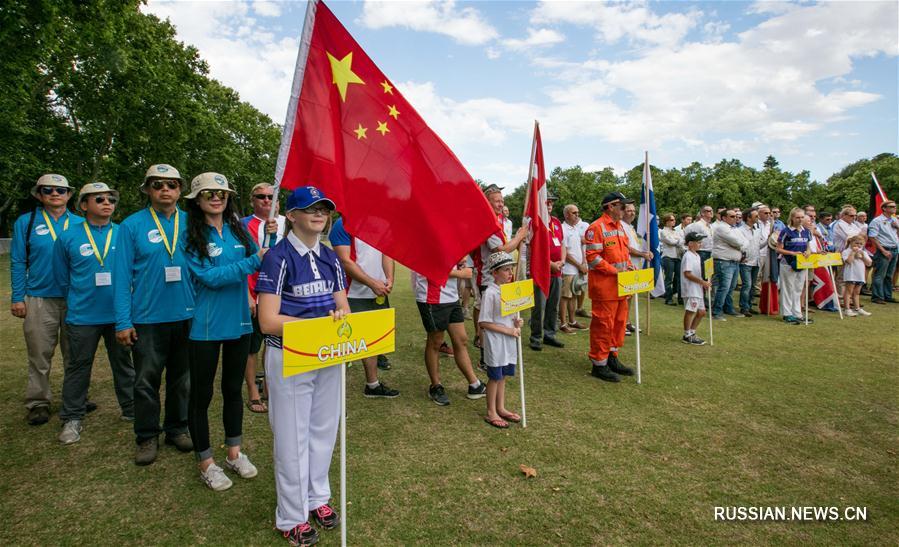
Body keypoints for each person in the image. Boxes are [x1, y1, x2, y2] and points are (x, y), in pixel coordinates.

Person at [256, 186, 345, 545]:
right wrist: (315, 327)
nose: (319, 213)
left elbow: (343, 308)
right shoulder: (277, 258)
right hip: (290, 356)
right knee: (292, 437)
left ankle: (317, 498)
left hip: (327, 355)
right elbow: (267, 320)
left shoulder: (329, 256)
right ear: (291, 215)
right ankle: (290, 515)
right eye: (310, 208)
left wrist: (338, 320)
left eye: (324, 208)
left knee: (323, 430)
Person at [183, 173, 266, 491]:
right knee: (202, 395)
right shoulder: (192, 234)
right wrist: (252, 262)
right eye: (209, 193)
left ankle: (233, 453)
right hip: (205, 325)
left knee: (233, 390)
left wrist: (263, 245)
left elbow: (258, 259)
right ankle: (206, 462)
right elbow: (210, 277)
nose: (216, 197)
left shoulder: (238, 228)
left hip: (240, 321)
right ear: (197, 199)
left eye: (221, 193)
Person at [114, 164, 194, 465]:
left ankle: (177, 428)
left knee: (182, 378)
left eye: (171, 185)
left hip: (187, 315)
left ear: (179, 190)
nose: (165, 190)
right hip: (147, 318)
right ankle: (147, 435)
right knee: (146, 380)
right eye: (157, 184)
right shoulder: (131, 226)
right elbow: (121, 277)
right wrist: (123, 321)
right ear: (147, 189)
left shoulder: (191, 222)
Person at [54, 183, 134, 444]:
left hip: (118, 315)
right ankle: (72, 417)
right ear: (84, 205)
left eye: (111, 198)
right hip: (82, 316)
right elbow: (61, 278)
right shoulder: (68, 237)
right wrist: (78, 299)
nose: (107, 203)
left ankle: (131, 409)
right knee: (78, 367)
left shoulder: (123, 233)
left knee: (124, 364)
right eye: (99, 199)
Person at [11, 174, 84, 425]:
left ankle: (75, 399)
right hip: (39, 297)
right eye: (49, 190)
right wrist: (17, 297)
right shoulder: (27, 222)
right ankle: (38, 402)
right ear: (39, 194)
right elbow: (19, 261)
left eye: (61, 190)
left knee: (74, 354)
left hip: (75, 298)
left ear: (69, 195)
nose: (55, 194)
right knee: (40, 353)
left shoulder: (80, 223)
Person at [329, 214, 400, 398]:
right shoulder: (342, 224)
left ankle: (372, 385)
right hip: (350, 293)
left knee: (373, 340)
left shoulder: (382, 223)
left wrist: (389, 278)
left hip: (377, 292)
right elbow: (345, 261)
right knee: (345, 343)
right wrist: (372, 283)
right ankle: (333, 393)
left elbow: (387, 254)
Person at [411, 262, 487, 406]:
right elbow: (428, 267)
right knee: (435, 342)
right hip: (431, 297)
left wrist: (461, 263)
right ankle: (435, 386)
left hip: (451, 297)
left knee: (461, 340)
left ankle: (474, 385)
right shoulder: (427, 240)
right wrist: (460, 274)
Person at [241, 182, 286, 414]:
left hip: (280, 297)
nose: (267, 201)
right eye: (261, 197)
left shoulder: (287, 223)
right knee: (252, 347)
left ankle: (270, 388)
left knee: (273, 344)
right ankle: (253, 392)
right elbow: (240, 263)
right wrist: (247, 294)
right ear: (253, 200)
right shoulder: (242, 225)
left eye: (271, 196)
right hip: (255, 295)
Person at [584, 192, 636, 383]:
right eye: (622, 206)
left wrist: (629, 266)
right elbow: (592, 257)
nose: (626, 210)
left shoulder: (621, 227)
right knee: (603, 325)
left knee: (619, 324)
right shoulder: (596, 227)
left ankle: (612, 357)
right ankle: (599, 364)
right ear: (610, 207)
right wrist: (615, 271)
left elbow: (624, 252)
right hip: (604, 287)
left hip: (621, 287)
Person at [473, 184, 526, 356]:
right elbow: (501, 250)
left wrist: (519, 239)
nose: (501, 204)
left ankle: (498, 353)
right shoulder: (487, 223)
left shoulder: (498, 222)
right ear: (487, 203)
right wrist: (519, 237)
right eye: (496, 201)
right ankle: (485, 356)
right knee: (489, 319)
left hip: (501, 278)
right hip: (489, 279)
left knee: (501, 316)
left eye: (502, 201)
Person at [478, 252, 523, 429]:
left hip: (508, 340)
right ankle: (491, 412)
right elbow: (483, 322)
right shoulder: (490, 293)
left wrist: (516, 321)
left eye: (511, 269)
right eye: (506, 270)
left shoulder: (509, 291)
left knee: (503, 375)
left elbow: (510, 315)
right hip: (496, 341)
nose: (510, 273)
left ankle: (501, 407)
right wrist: (508, 330)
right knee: (495, 377)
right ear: (495, 273)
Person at [528, 192, 566, 349]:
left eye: (551, 202)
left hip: (557, 271)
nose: (549, 204)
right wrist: (550, 264)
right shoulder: (535, 223)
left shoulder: (556, 222)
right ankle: (535, 337)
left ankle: (550, 334)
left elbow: (563, 244)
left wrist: (562, 261)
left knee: (553, 306)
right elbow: (534, 249)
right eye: (546, 202)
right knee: (539, 306)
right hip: (542, 271)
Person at [776, 208, 812, 324]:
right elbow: (778, 249)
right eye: (798, 217)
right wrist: (792, 253)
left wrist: (807, 252)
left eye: (802, 217)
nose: (800, 220)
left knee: (798, 288)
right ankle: (787, 313)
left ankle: (797, 313)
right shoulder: (786, 231)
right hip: (787, 263)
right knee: (787, 289)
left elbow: (808, 246)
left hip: (801, 263)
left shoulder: (806, 231)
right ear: (792, 218)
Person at [621, 202, 652, 335]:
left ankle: (626, 322)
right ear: (622, 212)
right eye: (629, 210)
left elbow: (637, 245)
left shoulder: (631, 227)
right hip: (626, 265)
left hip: (635, 265)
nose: (632, 213)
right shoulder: (621, 226)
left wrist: (646, 252)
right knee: (625, 297)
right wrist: (642, 254)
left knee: (631, 295)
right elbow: (626, 247)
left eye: (633, 211)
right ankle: (621, 324)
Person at [711, 208, 747, 320]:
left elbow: (746, 242)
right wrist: (741, 245)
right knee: (724, 287)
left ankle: (728, 308)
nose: (735, 218)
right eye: (732, 216)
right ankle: (717, 311)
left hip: (734, 261)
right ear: (724, 218)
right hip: (724, 261)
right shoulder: (721, 228)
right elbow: (738, 242)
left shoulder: (734, 228)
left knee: (730, 287)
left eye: (736, 216)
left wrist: (740, 245)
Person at [560, 204, 587, 333]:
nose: (577, 215)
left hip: (577, 268)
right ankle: (563, 323)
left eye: (578, 212)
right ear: (566, 215)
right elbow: (565, 253)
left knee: (574, 295)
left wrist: (584, 262)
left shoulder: (575, 229)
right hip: (568, 269)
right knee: (565, 296)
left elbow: (580, 247)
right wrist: (579, 265)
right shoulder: (563, 229)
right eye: (574, 212)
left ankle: (572, 320)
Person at [680, 232, 711, 345]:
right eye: (698, 242)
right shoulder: (688, 255)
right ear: (690, 243)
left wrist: (704, 282)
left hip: (697, 288)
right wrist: (702, 282)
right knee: (691, 311)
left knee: (702, 312)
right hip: (691, 288)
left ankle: (692, 332)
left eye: (700, 242)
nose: (700, 244)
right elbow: (687, 274)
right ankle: (687, 334)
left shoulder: (697, 256)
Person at [867, 200, 899, 304]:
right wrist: (883, 250)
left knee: (889, 275)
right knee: (880, 274)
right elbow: (872, 236)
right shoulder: (877, 221)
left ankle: (887, 295)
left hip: (894, 249)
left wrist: (897, 227)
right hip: (884, 249)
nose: (894, 208)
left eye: (895, 206)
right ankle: (877, 297)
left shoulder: (894, 220)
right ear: (884, 208)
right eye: (891, 206)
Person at [737, 207, 763, 316]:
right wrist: (742, 256)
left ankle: (749, 305)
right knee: (746, 285)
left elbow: (759, 245)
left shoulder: (757, 230)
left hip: (756, 260)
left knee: (752, 285)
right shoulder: (740, 230)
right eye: (756, 216)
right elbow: (739, 245)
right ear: (748, 218)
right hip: (746, 262)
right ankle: (744, 307)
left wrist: (769, 240)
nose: (758, 217)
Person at [841, 235, 872, 317]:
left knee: (857, 292)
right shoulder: (846, 251)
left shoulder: (863, 252)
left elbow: (869, 263)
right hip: (851, 274)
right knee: (849, 292)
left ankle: (857, 308)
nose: (858, 245)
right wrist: (853, 253)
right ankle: (847, 309)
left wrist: (862, 257)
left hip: (860, 275)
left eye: (860, 244)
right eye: (856, 243)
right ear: (851, 242)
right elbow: (848, 261)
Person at [659, 213, 683, 306]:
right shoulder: (663, 231)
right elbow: (671, 241)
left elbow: (681, 241)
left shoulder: (676, 231)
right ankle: (668, 298)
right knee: (668, 278)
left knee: (679, 278)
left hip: (677, 257)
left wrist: (676, 241)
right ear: (667, 221)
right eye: (672, 220)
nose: (674, 221)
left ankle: (680, 298)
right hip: (668, 257)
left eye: (674, 220)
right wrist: (677, 241)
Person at [684, 206, 714, 278]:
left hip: (710, 253)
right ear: (702, 213)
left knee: (708, 277)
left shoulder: (710, 226)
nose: (711, 212)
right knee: (702, 276)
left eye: (712, 210)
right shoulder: (698, 225)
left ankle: (707, 289)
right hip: (701, 252)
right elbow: (694, 240)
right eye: (708, 211)